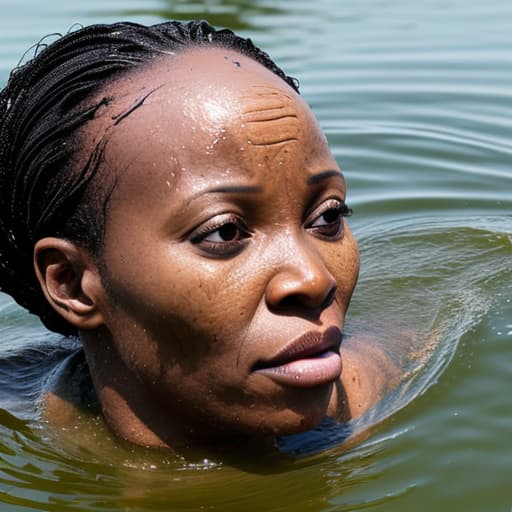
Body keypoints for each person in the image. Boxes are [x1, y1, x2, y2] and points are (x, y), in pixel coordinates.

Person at [0, 20, 395, 451]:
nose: (314, 280)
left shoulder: (383, 390)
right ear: (72, 283)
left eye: (327, 217)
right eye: (224, 232)